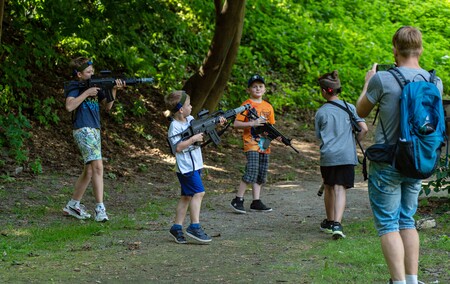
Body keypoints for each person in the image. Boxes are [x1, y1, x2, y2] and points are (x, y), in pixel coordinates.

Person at [356, 26, 443, 284]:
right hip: (418, 160)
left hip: (387, 162)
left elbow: (360, 111)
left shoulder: (382, 80)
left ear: (394, 49)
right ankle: (412, 280)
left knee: (388, 224)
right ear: (421, 49)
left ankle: (398, 282)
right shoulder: (433, 81)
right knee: (407, 219)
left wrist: (366, 82)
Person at [63, 57, 125, 222]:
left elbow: (108, 107)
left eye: (92, 71)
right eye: (88, 72)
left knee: (90, 170)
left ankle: (73, 204)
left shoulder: (95, 86)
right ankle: (100, 208)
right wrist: (86, 93)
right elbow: (69, 106)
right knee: (98, 167)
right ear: (79, 74)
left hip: (94, 129)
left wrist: (114, 89)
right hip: (83, 128)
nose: (92, 74)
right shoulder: (75, 87)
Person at [166, 90, 226, 244]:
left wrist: (217, 123)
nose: (191, 107)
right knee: (199, 193)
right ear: (180, 109)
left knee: (186, 197)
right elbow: (177, 147)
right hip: (186, 168)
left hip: (196, 164)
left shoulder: (190, 119)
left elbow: (204, 127)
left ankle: (176, 228)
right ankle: (194, 226)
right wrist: (193, 139)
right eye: (188, 104)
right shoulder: (175, 126)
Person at [315, 70, 368, 239]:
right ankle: (337, 224)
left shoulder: (321, 112)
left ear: (324, 91)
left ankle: (330, 221)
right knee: (340, 188)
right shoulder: (349, 107)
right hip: (346, 155)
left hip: (328, 156)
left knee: (329, 186)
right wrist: (352, 140)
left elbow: (319, 136)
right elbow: (363, 129)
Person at [230, 74, 278, 214]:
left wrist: (275, 137)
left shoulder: (268, 107)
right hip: (251, 143)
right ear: (249, 89)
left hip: (265, 145)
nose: (258, 88)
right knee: (251, 171)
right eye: (254, 86)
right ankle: (238, 199)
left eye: (260, 86)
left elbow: (271, 127)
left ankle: (256, 201)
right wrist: (253, 123)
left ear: (264, 89)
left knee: (261, 174)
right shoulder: (246, 105)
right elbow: (236, 124)